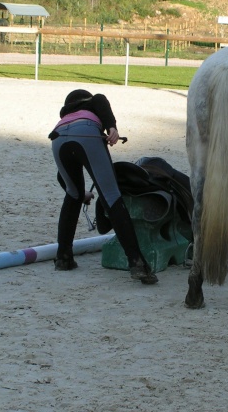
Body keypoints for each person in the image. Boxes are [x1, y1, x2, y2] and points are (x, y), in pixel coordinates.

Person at [49, 89, 158, 285]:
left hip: (56, 138)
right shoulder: (93, 102)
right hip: (87, 132)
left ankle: (63, 257)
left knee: (71, 195)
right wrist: (111, 127)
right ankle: (137, 263)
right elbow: (100, 99)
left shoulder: (65, 116)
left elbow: (62, 177)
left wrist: (80, 193)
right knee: (111, 196)